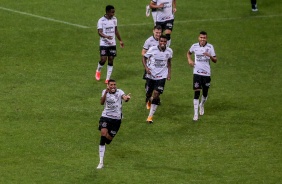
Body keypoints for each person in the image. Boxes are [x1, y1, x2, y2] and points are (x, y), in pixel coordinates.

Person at [97, 79, 131, 169]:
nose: (113, 86)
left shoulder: (119, 92)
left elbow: (124, 98)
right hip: (106, 117)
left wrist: (126, 98)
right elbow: (101, 102)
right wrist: (106, 93)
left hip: (116, 120)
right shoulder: (105, 92)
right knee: (103, 134)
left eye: (114, 85)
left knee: (108, 140)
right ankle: (101, 162)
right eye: (111, 85)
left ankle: (106, 139)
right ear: (108, 85)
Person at [187, 31, 217, 121]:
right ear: (198, 38)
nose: (202, 39)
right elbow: (188, 53)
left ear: (206, 38)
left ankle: (202, 105)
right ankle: (195, 114)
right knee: (196, 92)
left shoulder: (210, 47)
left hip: (206, 73)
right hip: (197, 72)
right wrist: (189, 60)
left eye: (204, 38)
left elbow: (215, 60)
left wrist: (210, 56)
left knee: (205, 93)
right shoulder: (194, 46)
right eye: (201, 38)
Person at [142, 35, 173, 123]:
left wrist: (169, 74)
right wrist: (146, 68)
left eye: (164, 41)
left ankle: (150, 117)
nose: (163, 43)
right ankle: (148, 100)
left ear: (166, 42)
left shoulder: (169, 51)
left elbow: (169, 62)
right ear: (159, 41)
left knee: (156, 94)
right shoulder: (152, 49)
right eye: (161, 41)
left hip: (162, 76)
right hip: (151, 75)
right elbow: (144, 58)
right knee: (149, 93)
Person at [95, 5, 124, 84]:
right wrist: (106, 36)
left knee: (111, 59)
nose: (113, 14)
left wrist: (120, 40)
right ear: (107, 12)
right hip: (104, 43)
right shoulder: (101, 20)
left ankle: (107, 79)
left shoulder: (114, 19)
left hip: (112, 44)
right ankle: (98, 70)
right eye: (112, 12)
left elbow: (116, 30)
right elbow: (99, 32)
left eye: (114, 12)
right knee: (103, 60)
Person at [141, 25, 162, 97]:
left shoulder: (163, 41)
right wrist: (148, 57)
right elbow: (143, 52)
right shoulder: (149, 41)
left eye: (160, 33)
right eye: (157, 32)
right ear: (153, 31)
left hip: (159, 66)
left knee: (158, 82)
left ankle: (156, 98)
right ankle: (148, 96)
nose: (158, 34)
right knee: (149, 82)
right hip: (149, 65)